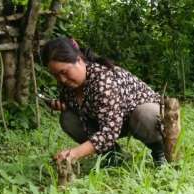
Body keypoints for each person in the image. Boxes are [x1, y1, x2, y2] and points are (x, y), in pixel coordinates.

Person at [40, 37, 168, 167]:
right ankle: (113, 155)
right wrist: (62, 104)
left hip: (145, 117)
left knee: (144, 114)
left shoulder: (103, 79)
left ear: (79, 60)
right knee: (68, 118)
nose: (62, 79)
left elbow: (109, 131)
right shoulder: (67, 86)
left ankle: (160, 151)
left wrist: (74, 154)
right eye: (56, 75)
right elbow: (84, 106)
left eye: (64, 72)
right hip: (114, 120)